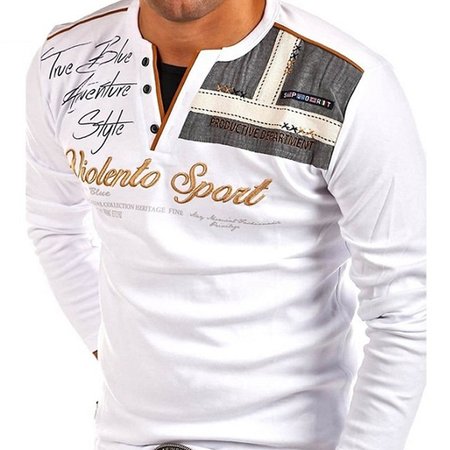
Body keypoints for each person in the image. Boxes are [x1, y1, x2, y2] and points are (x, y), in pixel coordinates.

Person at [24, 0, 426, 449]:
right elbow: (54, 225)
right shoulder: (65, 60)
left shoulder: (349, 84)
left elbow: (402, 312)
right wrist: (116, 354)